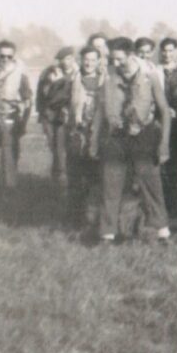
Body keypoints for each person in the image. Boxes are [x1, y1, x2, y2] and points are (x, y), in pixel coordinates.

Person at [92, 37, 172, 243]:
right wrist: (93, 140)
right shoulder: (108, 76)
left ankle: (163, 232)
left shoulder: (150, 75)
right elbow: (99, 112)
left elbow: (164, 112)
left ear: (131, 55)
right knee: (111, 185)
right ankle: (107, 235)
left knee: (151, 185)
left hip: (143, 135)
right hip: (115, 137)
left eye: (118, 59)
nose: (114, 63)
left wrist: (163, 145)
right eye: (112, 59)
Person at [0, 40, 33, 197]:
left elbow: (28, 98)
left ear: (14, 57)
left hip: (9, 119)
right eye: (1, 56)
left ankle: (9, 193)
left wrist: (22, 122)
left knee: (9, 157)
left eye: (8, 57)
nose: (5, 60)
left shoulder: (20, 74)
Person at [67, 45, 105, 228]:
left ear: (98, 61)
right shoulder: (74, 80)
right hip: (78, 132)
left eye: (93, 59)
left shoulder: (104, 81)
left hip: (97, 133)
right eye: (86, 59)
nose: (89, 63)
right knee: (76, 175)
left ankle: (93, 217)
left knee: (95, 175)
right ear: (81, 60)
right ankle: (75, 217)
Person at [36, 46, 78, 185]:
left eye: (71, 58)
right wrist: (42, 113)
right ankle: (57, 179)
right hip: (50, 114)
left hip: (67, 115)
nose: (68, 62)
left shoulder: (77, 73)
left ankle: (63, 178)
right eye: (65, 59)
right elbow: (45, 95)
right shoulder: (50, 73)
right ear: (60, 61)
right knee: (54, 147)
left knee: (63, 147)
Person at [157, 37, 177, 220]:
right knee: (162, 161)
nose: (167, 54)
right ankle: (164, 203)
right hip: (161, 119)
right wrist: (164, 109)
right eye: (164, 51)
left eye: (170, 51)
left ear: (176, 52)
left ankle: (175, 204)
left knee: (176, 161)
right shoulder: (155, 70)